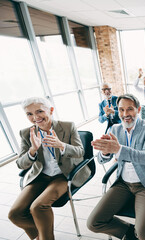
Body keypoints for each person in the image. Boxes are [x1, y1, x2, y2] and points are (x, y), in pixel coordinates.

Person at [87, 94, 145, 240]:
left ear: (138, 109)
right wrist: (105, 152)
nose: (125, 114)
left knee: (144, 234)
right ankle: (130, 231)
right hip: (123, 184)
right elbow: (101, 160)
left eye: (130, 109)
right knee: (93, 223)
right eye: (121, 110)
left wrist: (118, 149)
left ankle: (139, 232)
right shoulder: (115, 129)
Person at [8, 97, 90, 240]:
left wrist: (61, 145)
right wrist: (32, 150)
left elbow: (80, 152)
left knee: (38, 207)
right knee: (15, 214)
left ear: (51, 110)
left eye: (39, 111)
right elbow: (21, 164)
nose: (35, 117)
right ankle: (41, 236)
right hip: (40, 176)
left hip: (64, 175)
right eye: (29, 114)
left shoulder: (67, 126)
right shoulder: (26, 133)